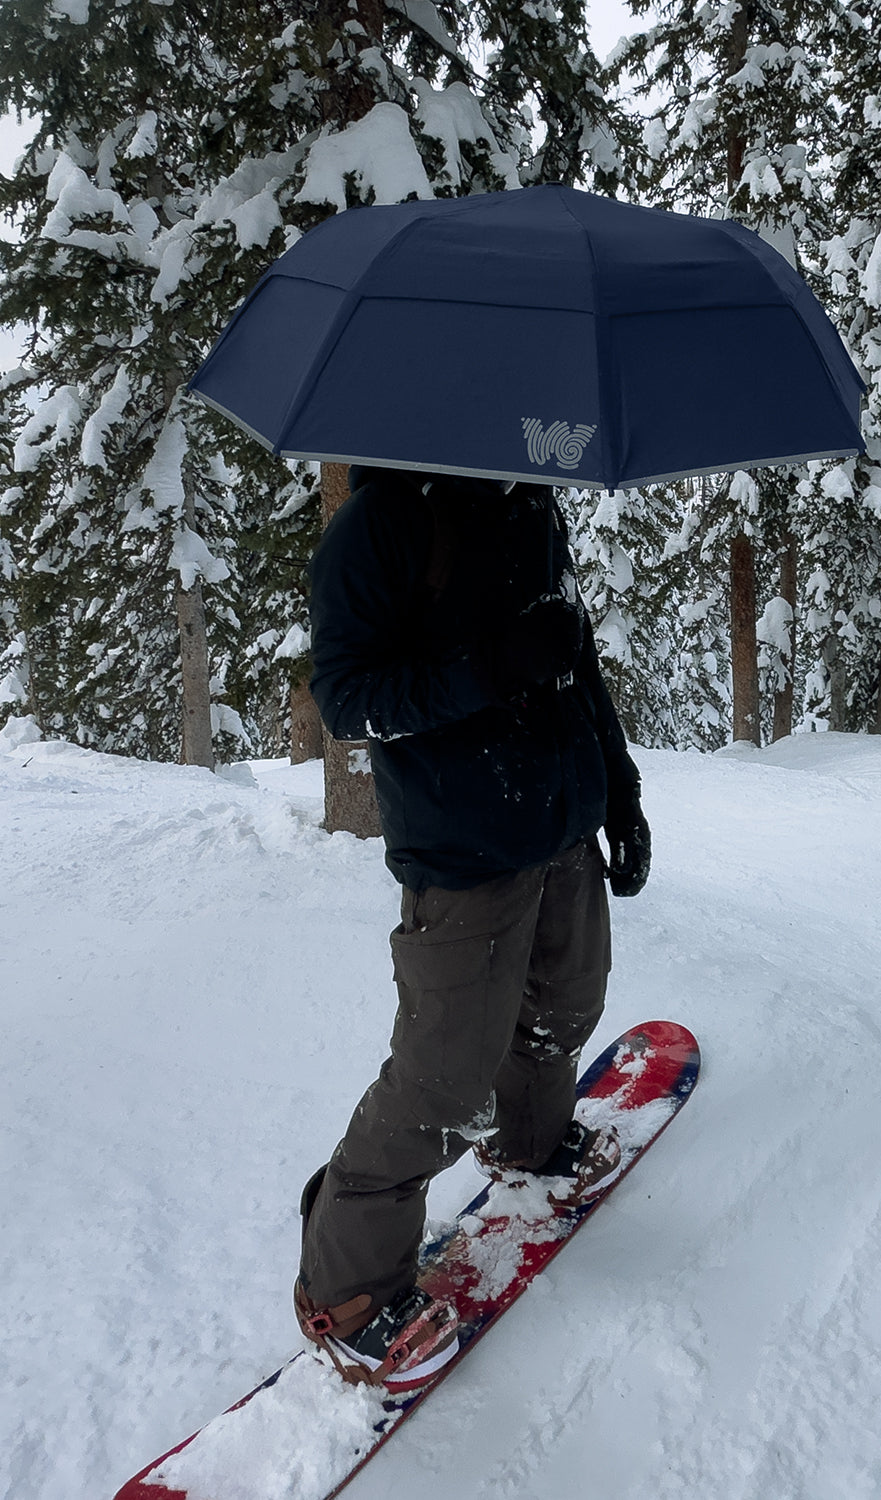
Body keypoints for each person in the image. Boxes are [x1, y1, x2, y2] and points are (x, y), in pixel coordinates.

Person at [295, 464, 651, 1389]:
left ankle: (533, 1142)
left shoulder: (527, 498)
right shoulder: (378, 526)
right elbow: (348, 698)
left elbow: (574, 663)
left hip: (560, 823)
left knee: (564, 1007)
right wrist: (488, 669)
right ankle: (349, 1292)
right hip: (461, 851)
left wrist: (621, 792)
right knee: (444, 1083)